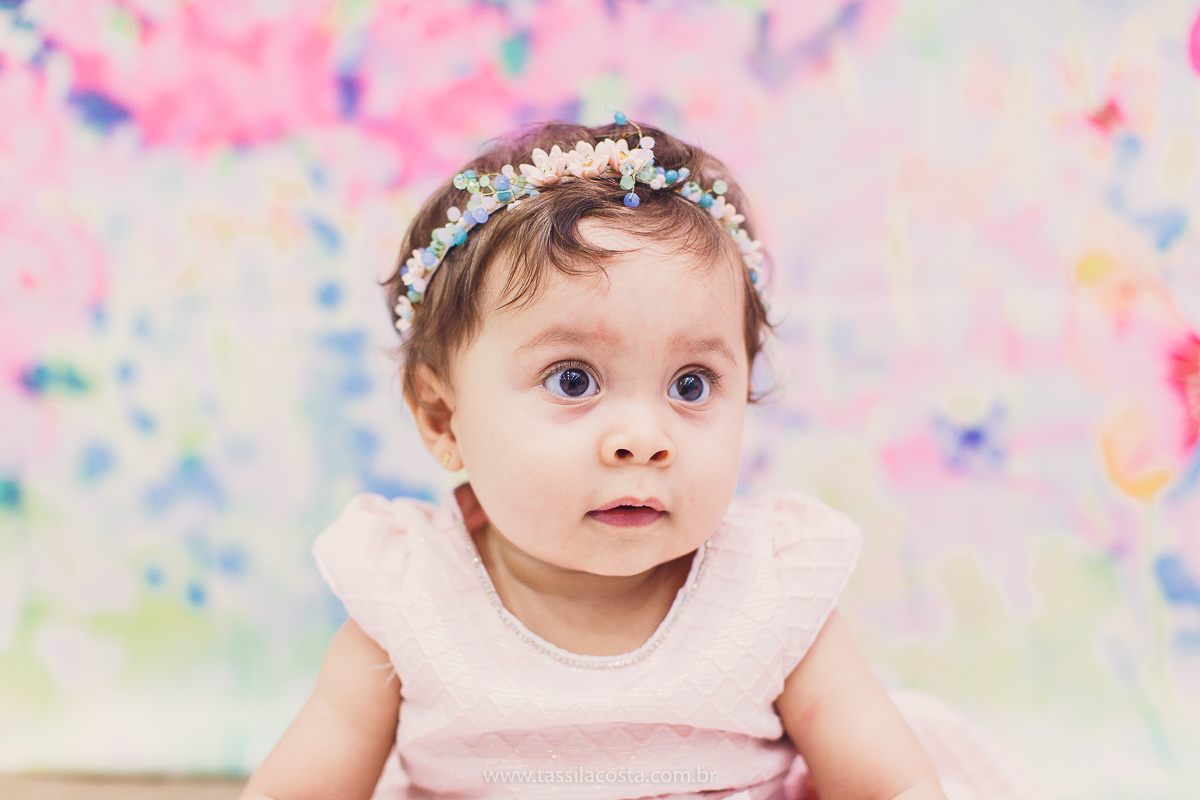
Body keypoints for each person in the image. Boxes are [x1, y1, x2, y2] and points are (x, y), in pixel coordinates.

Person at [241, 118, 1033, 800]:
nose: (643, 437)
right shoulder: (408, 595)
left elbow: (889, 783)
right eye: (574, 380)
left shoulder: (771, 592)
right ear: (443, 416)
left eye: (692, 384)